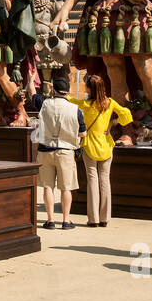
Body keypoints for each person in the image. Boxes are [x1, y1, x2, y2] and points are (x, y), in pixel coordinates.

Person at [69, 73, 133, 227]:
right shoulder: (110, 103)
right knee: (105, 181)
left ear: (91, 89)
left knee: (92, 180)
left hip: (90, 145)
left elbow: (69, 100)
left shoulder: (85, 105)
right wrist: (113, 123)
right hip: (106, 145)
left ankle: (93, 219)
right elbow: (127, 114)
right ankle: (105, 218)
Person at [32, 75, 83, 230]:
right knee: (66, 187)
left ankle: (50, 220)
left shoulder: (44, 103)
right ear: (68, 91)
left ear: (53, 90)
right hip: (66, 151)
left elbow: (32, 94)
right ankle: (66, 221)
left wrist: (30, 80)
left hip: (45, 150)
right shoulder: (76, 109)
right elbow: (83, 133)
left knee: (48, 187)